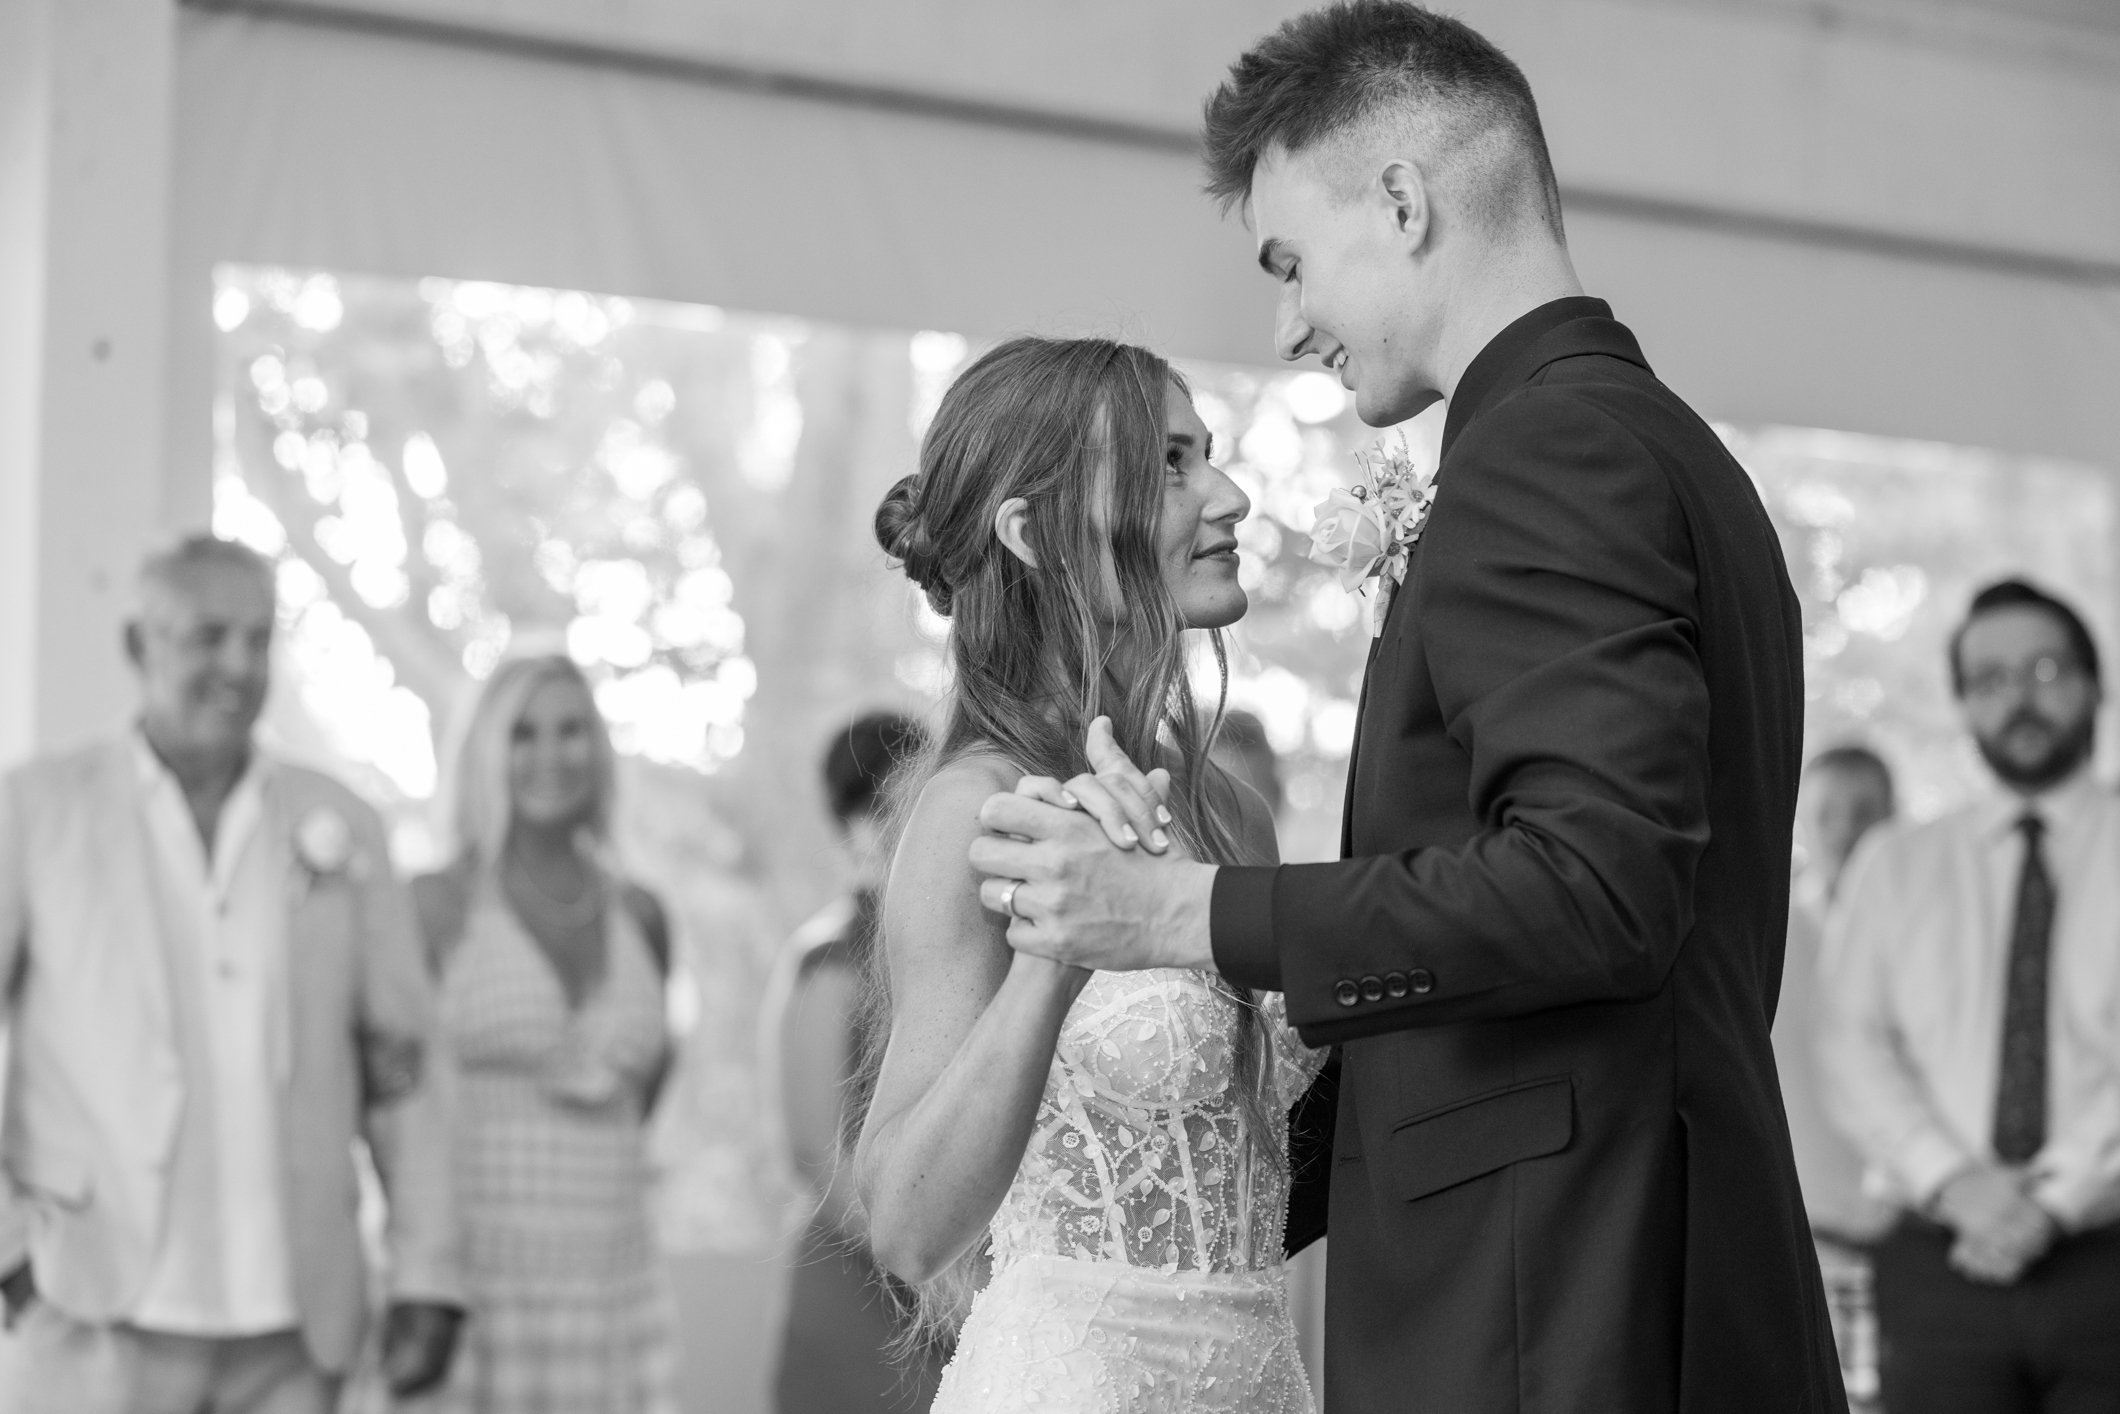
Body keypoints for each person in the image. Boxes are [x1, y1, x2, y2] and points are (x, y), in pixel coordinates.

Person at [964, 5, 1845, 1411]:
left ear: (1404, 199)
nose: (1289, 320)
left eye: (1291, 261)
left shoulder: (1552, 451)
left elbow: (1598, 886)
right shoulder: (1659, 447)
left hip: (1561, 1309)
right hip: (1616, 1271)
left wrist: (1176, 913)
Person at [855, 336, 1326, 1412]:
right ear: (1030, 532)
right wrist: (1050, 964)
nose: (1228, 495)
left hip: (1260, 1374)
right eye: (1168, 463)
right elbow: (907, 1227)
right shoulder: (980, 810)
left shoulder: (1230, 811)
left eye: (1206, 453)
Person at [0, 535, 461, 1414]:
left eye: (259, 639)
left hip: (294, 1329)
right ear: (140, 646)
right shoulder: (37, 809)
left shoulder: (341, 824)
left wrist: (426, 1272)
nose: (240, 666)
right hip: (90, 1313)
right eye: (209, 637)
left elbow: (404, 1063)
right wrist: (9, 1256)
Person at [1818, 579, 2120, 1412]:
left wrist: (2051, 1204)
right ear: (1962, 704)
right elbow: (1853, 1048)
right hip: (1938, 1262)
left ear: (2097, 683)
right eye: (1988, 680)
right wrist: (1956, 1183)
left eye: (2045, 668)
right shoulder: (1896, 864)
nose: (2017, 696)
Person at [413, 654, 675, 1414]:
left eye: (571, 731)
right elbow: (398, 1105)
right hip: (474, 1280)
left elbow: (647, 1093)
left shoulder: (644, 915)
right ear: (485, 751)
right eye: (522, 734)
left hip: (613, 1283)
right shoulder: (434, 905)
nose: (550, 756)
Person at [762, 712, 944, 1413]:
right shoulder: (830, 959)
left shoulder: (962, 947)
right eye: (869, 812)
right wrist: (930, 1273)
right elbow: (815, 1151)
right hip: (857, 1283)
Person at [1776, 747, 1898, 1405]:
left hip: (1915, 1226)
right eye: (1826, 814)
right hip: (1806, 1226)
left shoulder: (1931, 928)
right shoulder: (1770, 933)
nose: (1845, 830)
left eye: (1865, 813)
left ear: (1894, 817)